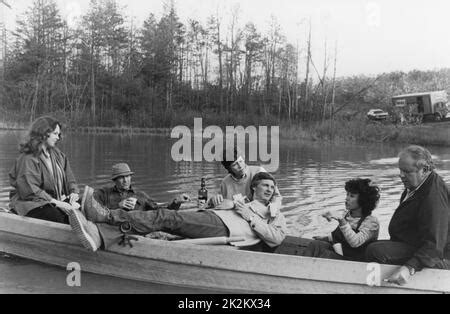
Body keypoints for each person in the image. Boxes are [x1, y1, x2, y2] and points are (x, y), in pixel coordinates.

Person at [68, 172, 287, 252]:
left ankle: (105, 217)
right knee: (159, 227)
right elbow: (207, 209)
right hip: (213, 218)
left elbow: (276, 239)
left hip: (227, 229)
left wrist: (252, 219)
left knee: (165, 218)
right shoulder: (243, 201)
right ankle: (100, 233)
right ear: (254, 188)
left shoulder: (274, 213)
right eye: (264, 185)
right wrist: (214, 201)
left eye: (271, 187)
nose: (268, 189)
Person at [365, 145, 450, 285]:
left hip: (440, 258)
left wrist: (409, 268)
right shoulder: (416, 186)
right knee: (372, 246)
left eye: (406, 171)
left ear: (425, 170)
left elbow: (434, 245)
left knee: (376, 251)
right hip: (417, 245)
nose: (401, 175)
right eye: (400, 170)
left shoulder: (433, 197)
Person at [275, 178, 380, 261]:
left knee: (323, 253)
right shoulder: (348, 214)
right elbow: (341, 235)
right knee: (316, 244)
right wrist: (325, 238)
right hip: (343, 254)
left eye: (352, 196)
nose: (347, 198)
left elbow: (355, 242)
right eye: (347, 194)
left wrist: (341, 220)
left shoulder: (371, 222)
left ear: (363, 201)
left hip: (356, 261)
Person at [8, 116, 79, 224]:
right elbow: (31, 191)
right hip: (30, 204)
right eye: (55, 134)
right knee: (57, 216)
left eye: (58, 134)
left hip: (53, 201)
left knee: (83, 204)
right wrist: (59, 204)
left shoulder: (58, 155)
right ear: (43, 134)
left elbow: (70, 178)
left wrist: (73, 192)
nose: (58, 137)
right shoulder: (28, 158)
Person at [209, 148, 282, 219]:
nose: (240, 166)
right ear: (229, 168)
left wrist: (273, 208)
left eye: (240, 161)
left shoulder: (259, 171)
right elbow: (222, 204)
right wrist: (213, 200)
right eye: (235, 165)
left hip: (259, 216)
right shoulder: (225, 182)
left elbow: (276, 196)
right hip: (237, 219)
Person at [91, 163, 183, 212]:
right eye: (122, 177)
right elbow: (94, 210)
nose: (126, 180)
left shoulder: (140, 195)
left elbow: (161, 210)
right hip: (112, 230)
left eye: (127, 176)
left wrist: (176, 202)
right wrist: (117, 206)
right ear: (115, 180)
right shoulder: (104, 193)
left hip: (136, 231)